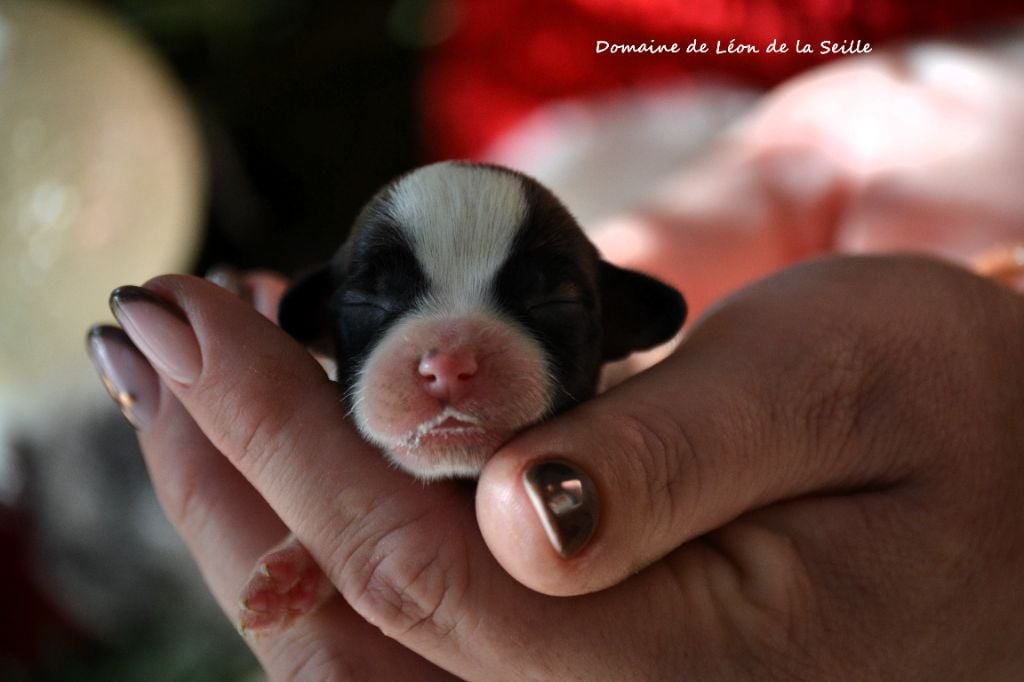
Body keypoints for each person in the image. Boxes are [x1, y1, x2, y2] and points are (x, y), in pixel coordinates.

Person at [86, 30, 1024, 682]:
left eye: (542, 299)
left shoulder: (684, 375)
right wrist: (324, 547)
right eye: (382, 298)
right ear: (322, 322)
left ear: (620, 323)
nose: (448, 362)